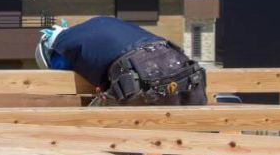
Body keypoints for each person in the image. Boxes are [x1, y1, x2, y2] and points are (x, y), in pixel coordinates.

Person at [35, 16, 207, 105]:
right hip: (172, 55)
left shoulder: (61, 45)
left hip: (137, 69)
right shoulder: (100, 22)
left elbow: (61, 75)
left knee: (102, 119)